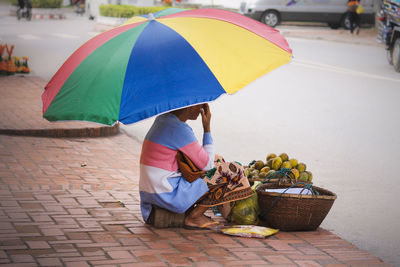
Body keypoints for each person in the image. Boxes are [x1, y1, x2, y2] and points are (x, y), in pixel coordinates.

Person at [139, 103, 254, 229]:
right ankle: (195, 216)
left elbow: (205, 160)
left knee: (218, 160)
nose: (202, 108)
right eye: (199, 104)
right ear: (189, 106)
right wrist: (207, 128)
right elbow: (207, 165)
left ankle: (225, 213)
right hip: (169, 195)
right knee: (235, 169)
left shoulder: (163, 120)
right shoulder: (178, 128)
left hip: (155, 194)